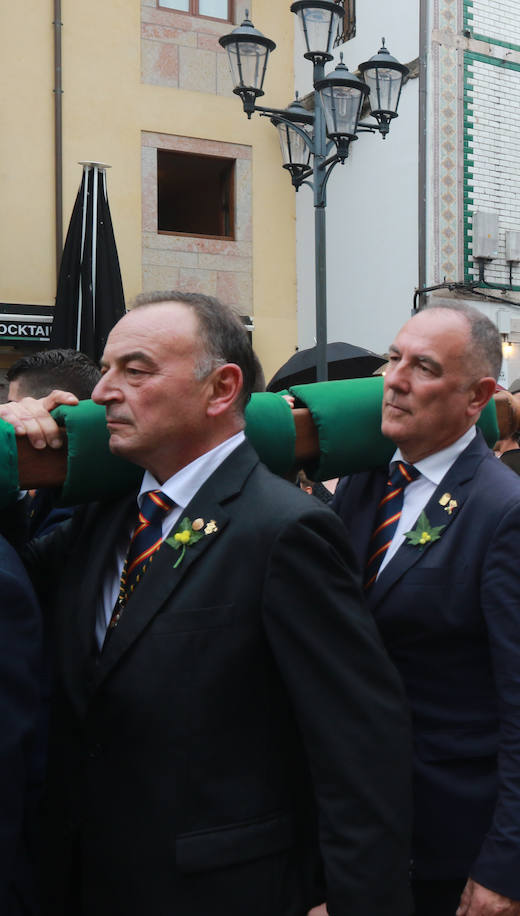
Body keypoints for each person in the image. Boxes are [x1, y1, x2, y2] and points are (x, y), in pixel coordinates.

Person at [2, 291, 412, 915]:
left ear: (221, 389)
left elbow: (358, 741)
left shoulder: (285, 530)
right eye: (106, 370)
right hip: (89, 881)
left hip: (224, 889)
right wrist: (11, 460)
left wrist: (353, 900)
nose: (103, 392)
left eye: (134, 371)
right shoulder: (106, 516)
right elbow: (17, 599)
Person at [330, 302, 520, 916]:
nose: (395, 379)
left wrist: (509, 867)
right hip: (356, 826)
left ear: (477, 397)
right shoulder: (364, 482)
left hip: (446, 838)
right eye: (394, 359)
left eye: (424, 367)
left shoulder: (507, 514)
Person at [6, 349, 102, 540]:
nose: (9, 414)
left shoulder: (80, 503)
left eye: (14, 405)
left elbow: (31, 564)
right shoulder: (50, 479)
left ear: (54, 407)